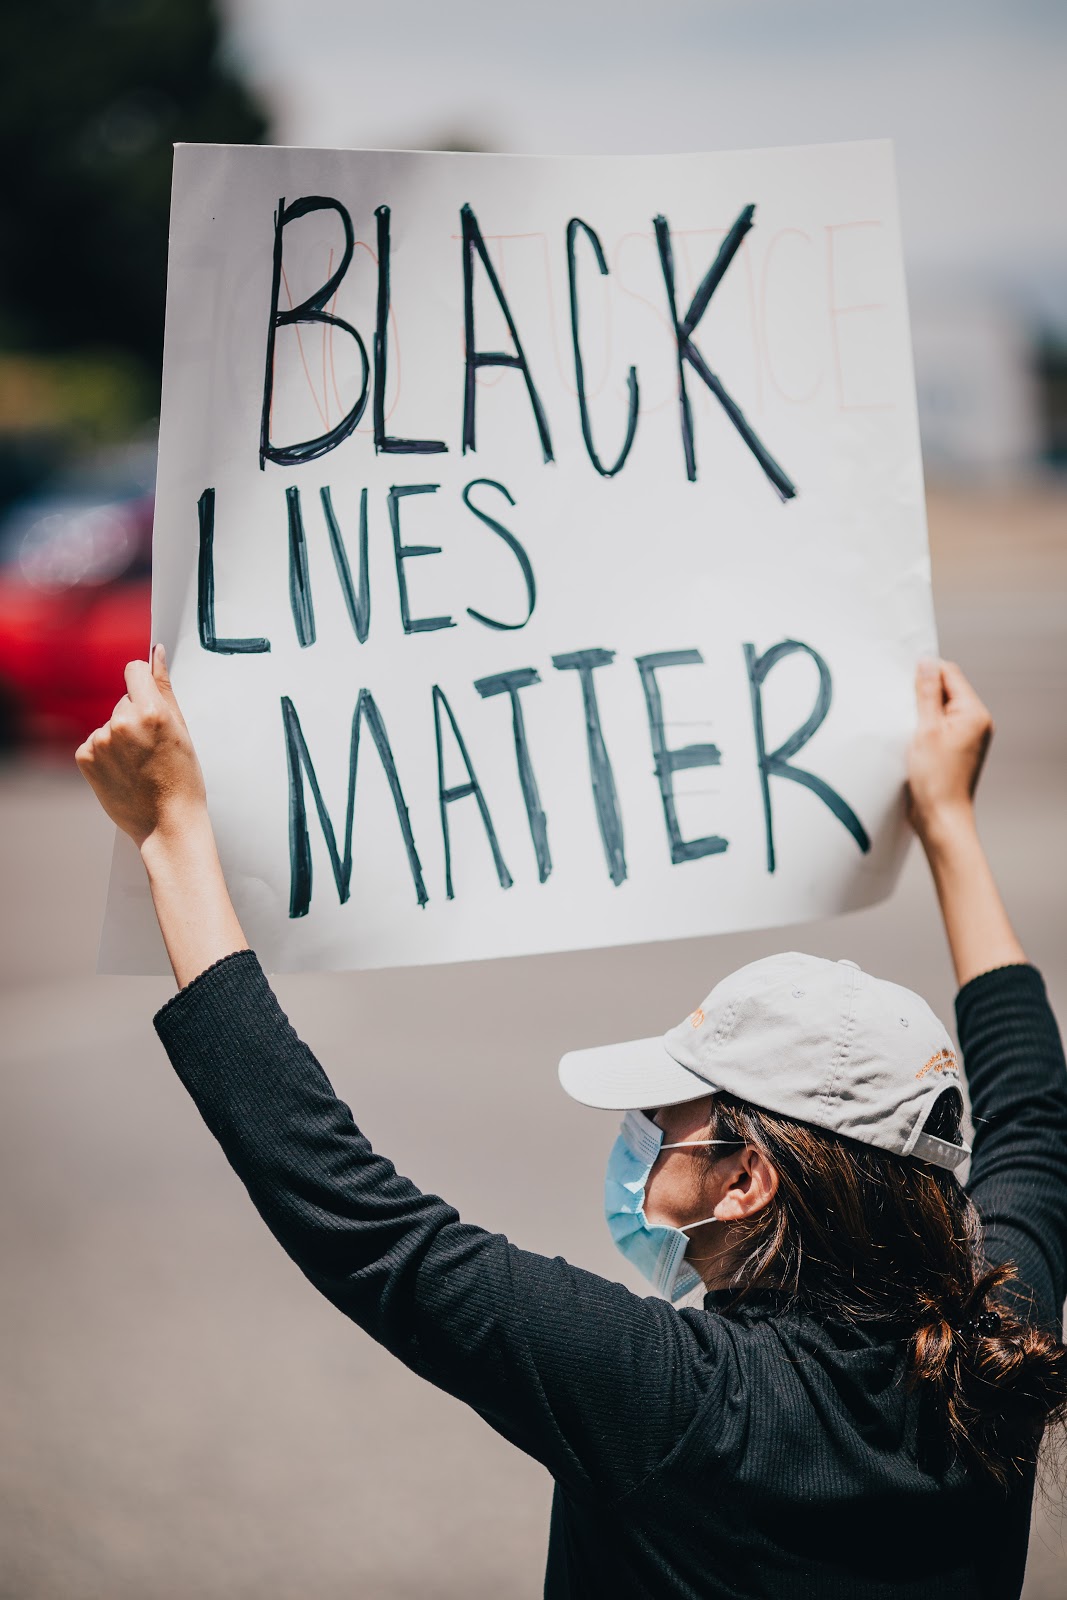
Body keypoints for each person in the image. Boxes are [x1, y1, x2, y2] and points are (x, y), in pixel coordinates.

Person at [75, 651, 1067, 1600]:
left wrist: (173, 836)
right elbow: (1029, 1116)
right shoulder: (994, 1345)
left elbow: (358, 1216)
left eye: (662, 1113)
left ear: (744, 1181)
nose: (637, 1134)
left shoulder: (682, 1403)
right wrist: (945, 819)